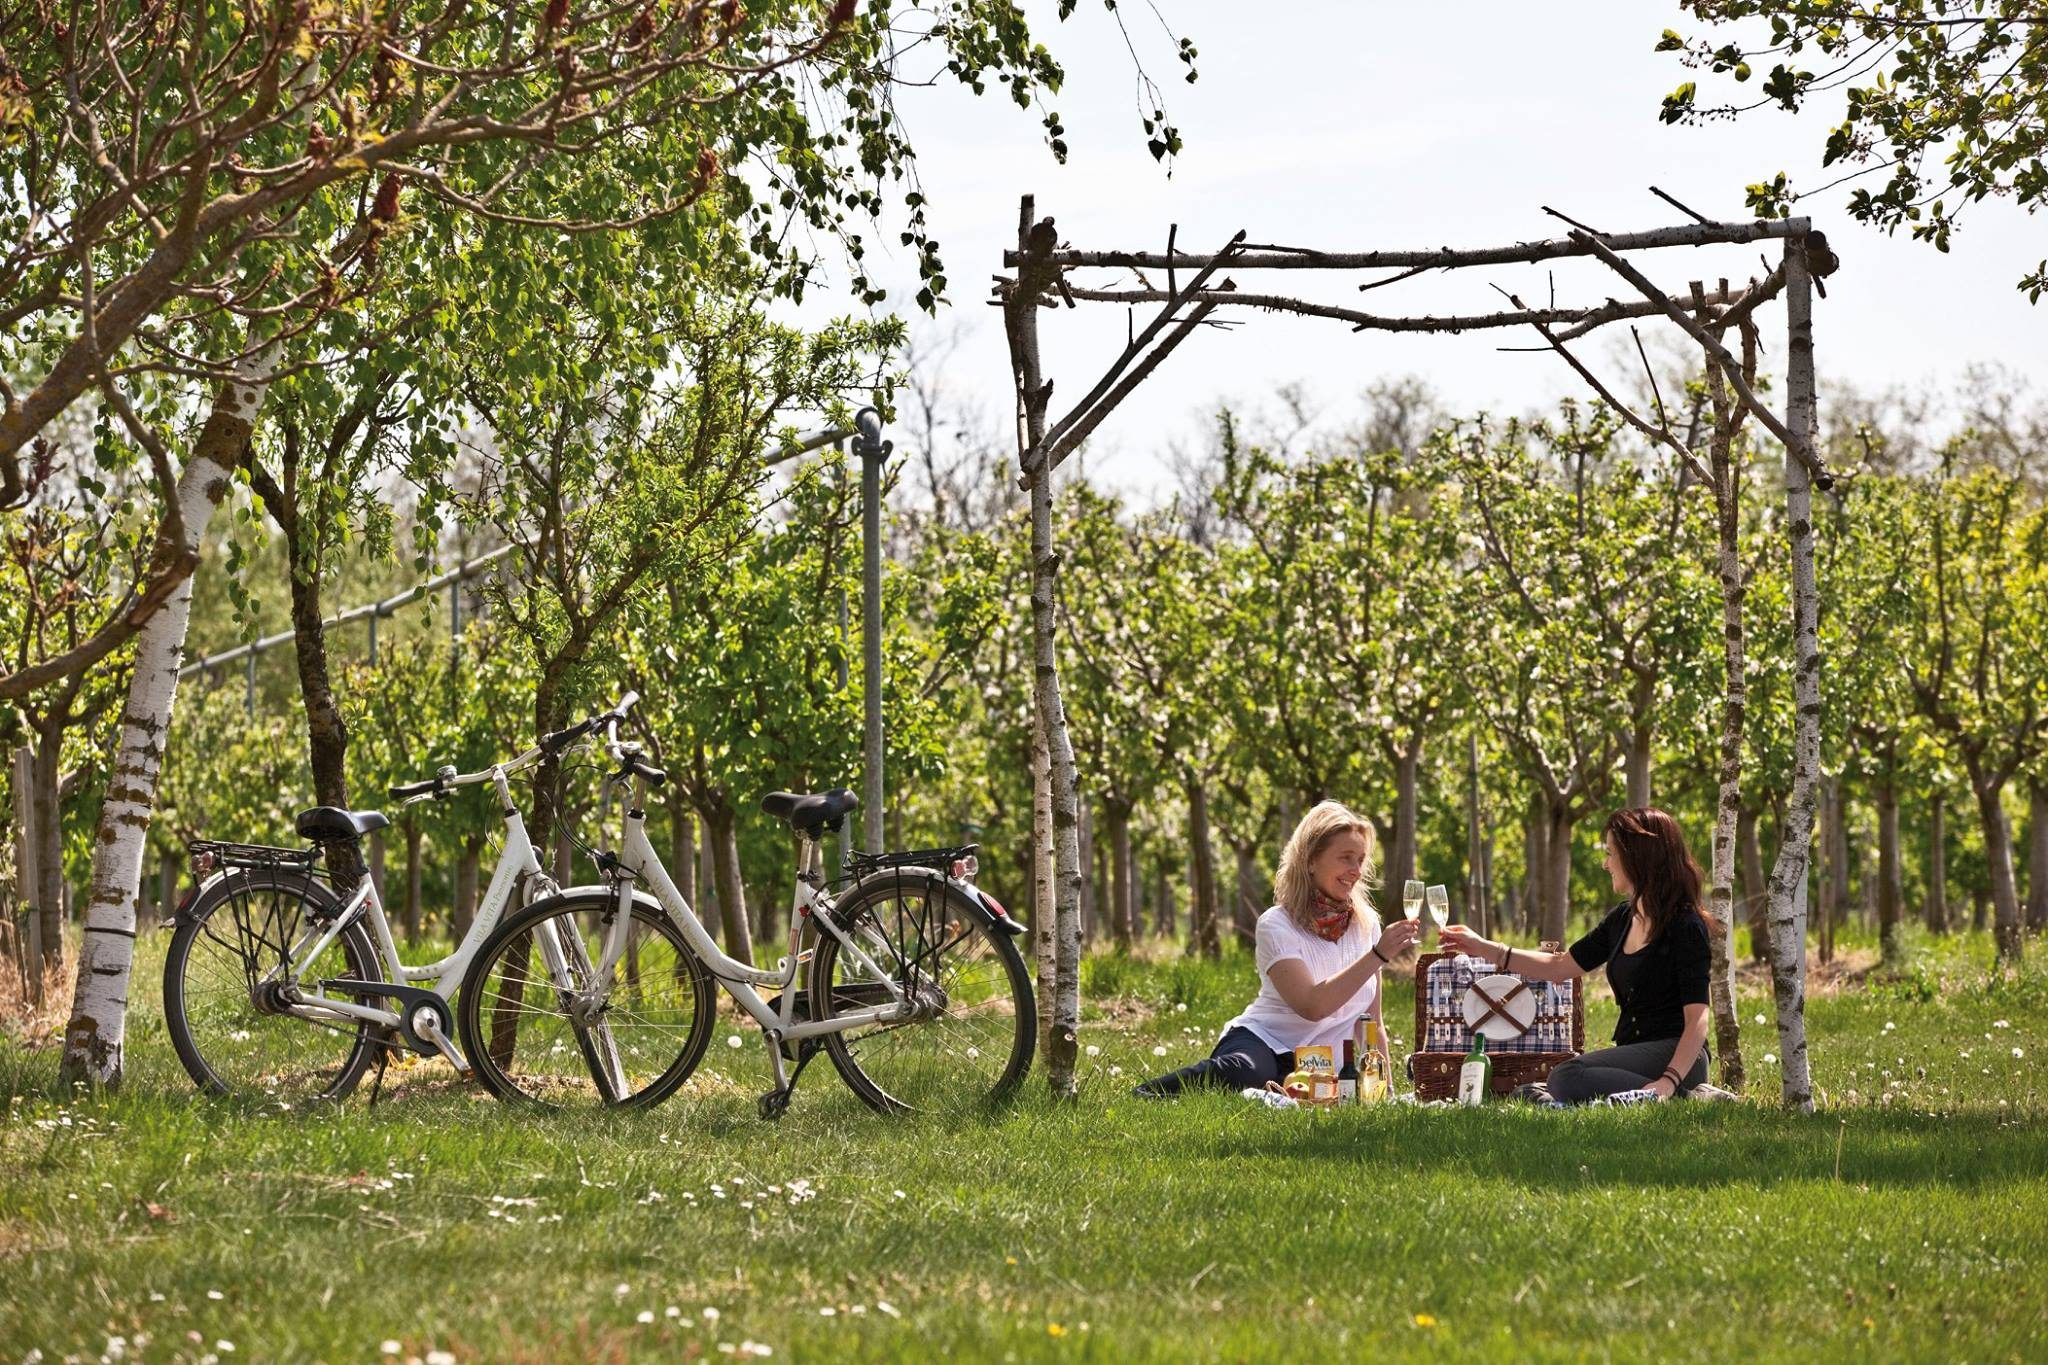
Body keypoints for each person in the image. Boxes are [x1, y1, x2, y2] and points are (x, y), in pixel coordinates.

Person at [1133, 801, 1421, 1098]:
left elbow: (1372, 1022)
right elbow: (1312, 1005)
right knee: (1243, 1072)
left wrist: (1387, 1090)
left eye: (1361, 860)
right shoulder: (1277, 924)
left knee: (1312, 1093)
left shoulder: (1367, 924)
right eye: (1346, 858)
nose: (1356, 871)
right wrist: (1377, 956)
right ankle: (1148, 1092)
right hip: (1264, 1042)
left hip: (1319, 1063)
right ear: (1311, 860)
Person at [1440, 807, 1712, 1105]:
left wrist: (1668, 1081)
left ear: (1637, 857)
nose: (1605, 864)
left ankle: (1685, 1097)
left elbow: (1697, 1019)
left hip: (1679, 1058)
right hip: (1636, 1053)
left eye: (1611, 854)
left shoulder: (1685, 927)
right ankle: (1643, 1096)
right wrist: (1482, 947)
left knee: (1565, 1076)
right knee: (1561, 1079)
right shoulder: (1622, 919)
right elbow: (1561, 967)